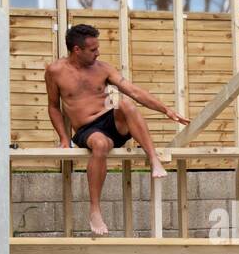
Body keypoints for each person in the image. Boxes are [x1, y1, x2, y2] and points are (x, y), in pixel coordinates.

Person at [45, 23, 189, 235]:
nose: (98, 52)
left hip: (110, 121)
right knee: (100, 144)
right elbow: (53, 106)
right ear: (77, 50)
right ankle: (95, 209)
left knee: (126, 103)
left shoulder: (103, 68)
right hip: (87, 129)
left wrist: (166, 110)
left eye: (97, 47)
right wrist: (64, 139)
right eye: (93, 49)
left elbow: (134, 92)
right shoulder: (55, 71)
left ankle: (153, 159)